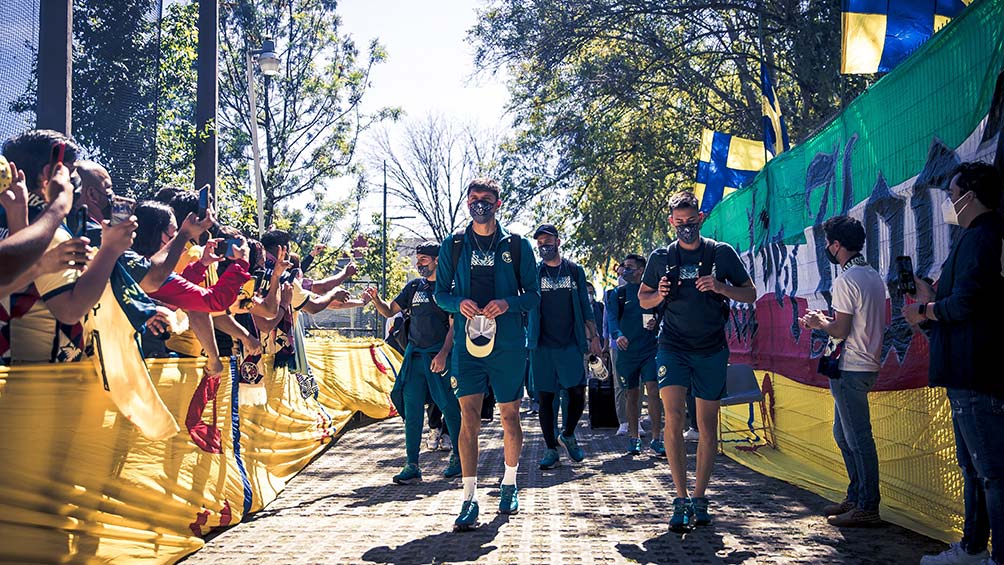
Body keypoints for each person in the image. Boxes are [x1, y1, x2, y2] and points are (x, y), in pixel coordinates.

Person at [638, 191, 756, 532]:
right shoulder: (661, 257)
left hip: (711, 348)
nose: (685, 228)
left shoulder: (721, 253)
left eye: (691, 222)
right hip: (672, 346)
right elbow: (643, 299)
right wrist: (658, 294)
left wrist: (720, 287)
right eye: (679, 223)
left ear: (701, 218)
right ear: (671, 221)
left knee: (707, 424)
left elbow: (750, 293)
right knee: (673, 416)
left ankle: (700, 496)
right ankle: (679, 498)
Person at [905, 162, 1003, 565]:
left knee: (992, 473)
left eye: (953, 193)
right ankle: (974, 548)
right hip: (964, 371)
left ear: (971, 195)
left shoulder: (984, 237)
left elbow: (966, 303)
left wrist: (926, 310)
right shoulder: (974, 238)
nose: (949, 201)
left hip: (976, 371)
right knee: (974, 470)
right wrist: (929, 294)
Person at [434, 177, 539, 531]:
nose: (480, 203)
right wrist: (457, 301)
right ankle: (468, 498)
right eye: (474, 198)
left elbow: (534, 295)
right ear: (467, 203)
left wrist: (507, 303)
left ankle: (509, 484)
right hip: (467, 345)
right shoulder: (454, 245)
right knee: (469, 419)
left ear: (498, 203)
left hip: (507, 344)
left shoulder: (518, 245)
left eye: (487, 198)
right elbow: (440, 294)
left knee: (511, 417)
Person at [2, 130, 138, 364]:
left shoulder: (18, 219)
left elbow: (16, 277)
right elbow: (70, 310)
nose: (75, 181)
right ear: (50, 174)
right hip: (44, 379)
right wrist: (110, 250)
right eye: (72, 171)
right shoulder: (48, 234)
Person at [800, 215, 885, 527]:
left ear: (836, 245)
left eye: (827, 243)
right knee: (844, 434)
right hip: (861, 364)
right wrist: (826, 321)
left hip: (851, 366)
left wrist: (816, 322)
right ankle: (856, 495)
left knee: (858, 438)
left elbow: (841, 329)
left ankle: (867, 505)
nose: (826, 248)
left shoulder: (846, 280)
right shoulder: (871, 274)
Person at [364, 242, 462, 484]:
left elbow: (454, 326)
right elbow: (389, 311)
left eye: (424, 259)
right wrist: (376, 299)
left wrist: (443, 354)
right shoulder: (413, 287)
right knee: (413, 409)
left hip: (439, 358)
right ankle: (412, 465)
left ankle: (459, 457)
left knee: (449, 406)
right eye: (418, 259)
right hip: (414, 357)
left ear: (438, 260)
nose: (419, 263)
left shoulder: (449, 288)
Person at [528, 224, 602, 469]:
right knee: (546, 398)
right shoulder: (534, 273)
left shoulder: (573, 270)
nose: (543, 246)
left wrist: (594, 336)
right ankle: (551, 449)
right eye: (539, 243)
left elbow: (584, 304)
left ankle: (568, 434)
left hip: (570, 342)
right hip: (542, 345)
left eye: (547, 241)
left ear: (558, 242)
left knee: (578, 392)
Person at [607, 253, 663, 456]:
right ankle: (634, 438)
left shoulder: (652, 292)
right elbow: (612, 319)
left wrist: (656, 321)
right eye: (624, 266)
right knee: (632, 394)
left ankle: (657, 439)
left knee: (654, 390)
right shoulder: (618, 294)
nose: (624, 269)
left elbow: (661, 313)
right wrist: (618, 335)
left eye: (629, 266)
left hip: (650, 349)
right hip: (627, 353)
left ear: (641, 270)